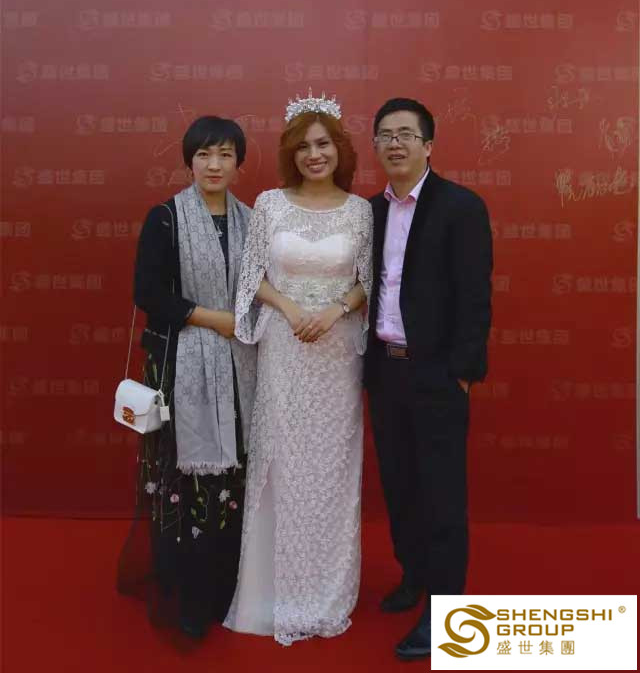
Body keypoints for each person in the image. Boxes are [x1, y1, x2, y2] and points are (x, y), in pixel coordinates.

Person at [223, 93, 373, 646]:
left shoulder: (360, 211)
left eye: (324, 143)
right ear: (291, 152)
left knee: (331, 469)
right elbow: (252, 277)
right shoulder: (269, 204)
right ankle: (270, 591)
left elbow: (368, 282)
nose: (315, 154)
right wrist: (288, 309)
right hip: (284, 351)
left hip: (336, 357)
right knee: (281, 461)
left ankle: (325, 592)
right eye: (304, 146)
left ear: (339, 149)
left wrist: (335, 310)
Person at [117, 116, 257, 639]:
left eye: (225, 154)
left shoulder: (253, 221)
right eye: (203, 155)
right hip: (180, 365)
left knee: (232, 477)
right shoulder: (166, 218)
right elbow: (148, 293)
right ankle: (185, 593)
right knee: (185, 478)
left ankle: (226, 590)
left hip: (241, 366)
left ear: (239, 163)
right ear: (189, 162)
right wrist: (214, 319)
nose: (214, 165)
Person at [365, 97, 493, 660]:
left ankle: (445, 616)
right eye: (385, 135)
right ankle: (414, 576)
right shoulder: (368, 213)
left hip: (437, 374)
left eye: (406, 134)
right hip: (384, 372)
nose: (395, 143)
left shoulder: (460, 207)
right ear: (375, 146)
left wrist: (462, 373)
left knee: (441, 497)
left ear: (429, 145)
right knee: (400, 487)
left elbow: (475, 297)